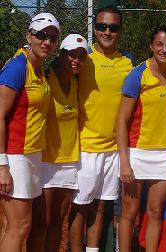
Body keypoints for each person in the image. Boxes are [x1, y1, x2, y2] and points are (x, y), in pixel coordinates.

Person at [68, 5, 135, 252]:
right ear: (94, 28)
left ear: (120, 31)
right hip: (85, 147)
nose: (107, 32)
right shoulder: (81, 58)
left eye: (113, 27)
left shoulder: (129, 62)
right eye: (102, 26)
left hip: (114, 150)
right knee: (80, 207)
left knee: (100, 206)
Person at [0, 13, 59, 252]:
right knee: (20, 226)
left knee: (10, 226)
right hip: (15, 156)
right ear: (29, 36)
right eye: (41, 35)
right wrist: (2, 165)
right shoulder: (17, 67)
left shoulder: (38, 65)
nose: (47, 42)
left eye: (53, 38)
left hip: (32, 155)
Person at [116, 25, 166, 252]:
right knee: (130, 213)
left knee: (155, 212)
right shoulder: (137, 75)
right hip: (136, 152)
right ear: (151, 46)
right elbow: (121, 122)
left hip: (164, 154)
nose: (164, 49)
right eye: (159, 44)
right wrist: (124, 161)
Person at [26, 34, 89, 252]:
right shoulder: (45, 77)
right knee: (40, 222)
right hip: (45, 160)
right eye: (72, 54)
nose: (76, 60)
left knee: (57, 222)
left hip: (69, 161)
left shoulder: (77, 81)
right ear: (62, 54)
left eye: (82, 56)